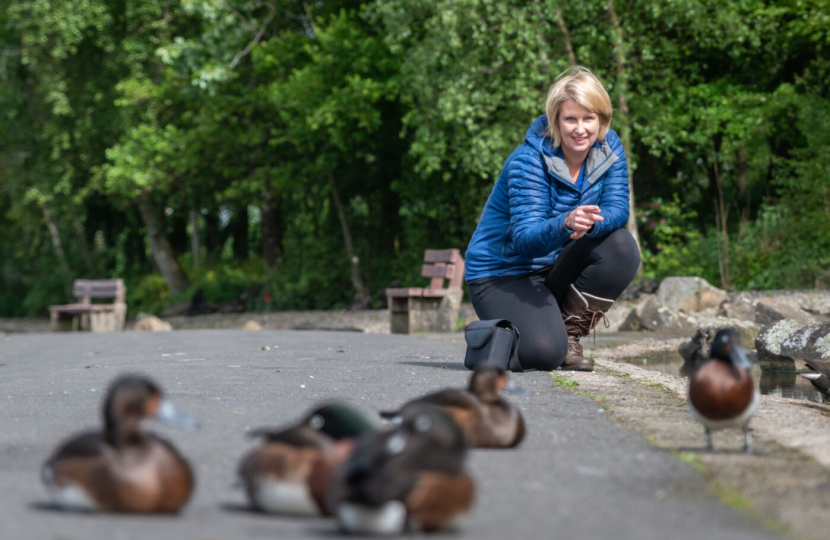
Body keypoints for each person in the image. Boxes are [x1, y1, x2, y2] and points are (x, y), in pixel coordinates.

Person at [464, 66, 641, 372]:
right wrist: (566, 222)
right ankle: (491, 341)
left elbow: (617, 208)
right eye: (570, 118)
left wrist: (593, 223)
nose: (580, 128)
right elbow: (525, 241)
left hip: (551, 267)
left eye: (589, 118)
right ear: (556, 120)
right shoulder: (527, 160)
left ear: (602, 119)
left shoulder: (609, 147)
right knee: (545, 354)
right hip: (501, 275)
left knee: (622, 246)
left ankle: (568, 335)